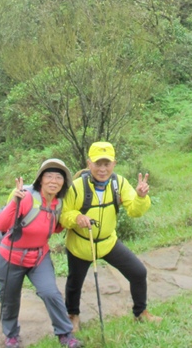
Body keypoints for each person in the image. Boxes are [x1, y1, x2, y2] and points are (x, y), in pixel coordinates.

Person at [61, 141, 161, 330]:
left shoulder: (119, 183)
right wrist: (77, 217)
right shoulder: (76, 187)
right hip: (81, 244)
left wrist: (140, 197)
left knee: (138, 272)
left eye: (107, 164)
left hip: (108, 241)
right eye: (98, 164)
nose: (102, 169)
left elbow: (134, 211)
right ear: (89, 163)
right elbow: (64, 215)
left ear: (114, 164)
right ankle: (73, 315)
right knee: (74, 283)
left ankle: (141, 312)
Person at [0, 158, 83, 348]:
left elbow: (56, 228)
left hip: (38, 257)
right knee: (9, 299)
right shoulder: (26, 197)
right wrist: (14, 202)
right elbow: (1, 225)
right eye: (48, 176)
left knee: (50, 293)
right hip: (11, 257)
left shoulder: (59, 203)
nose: (53, 181)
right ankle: (11, 336)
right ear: (40, 179)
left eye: (58, 177)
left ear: (63, 182)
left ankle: (65, 334)